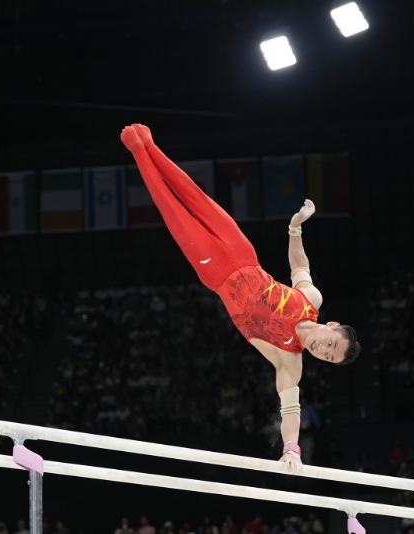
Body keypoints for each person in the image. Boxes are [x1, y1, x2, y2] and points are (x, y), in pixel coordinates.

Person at [120, 124, 361, 472]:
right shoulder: (312, 300)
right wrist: (295, 227)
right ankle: (151, 145)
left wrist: (291, 449)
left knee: (171, 209)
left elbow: (290, 411)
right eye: (330, 344)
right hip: (243, 251)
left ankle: (137, 151)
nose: (322, 350)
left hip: (216, 273)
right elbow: (299, 266)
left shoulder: (290, 362)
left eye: (328, 357)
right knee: (194, 195)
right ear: (332, 326)